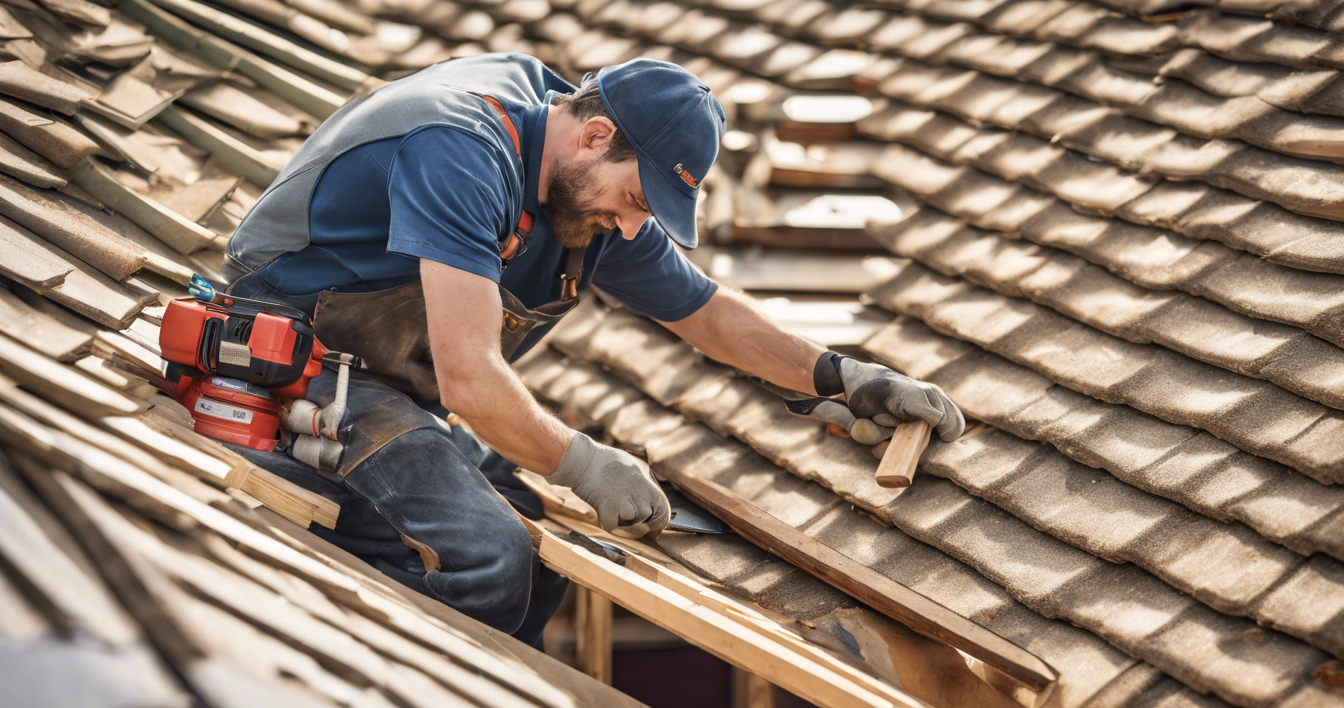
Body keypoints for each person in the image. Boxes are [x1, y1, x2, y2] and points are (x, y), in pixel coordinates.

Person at [221, 52, 964, 648]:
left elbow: (704, 312)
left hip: (384, 384)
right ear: (597, 135)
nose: (634, 225)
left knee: (539, 561)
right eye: (638, 201)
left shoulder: (586, 198)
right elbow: (471, 380)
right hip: (298, 352)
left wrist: (841, 376)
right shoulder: (460, 148)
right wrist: (584, 465)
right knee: (486, 561)